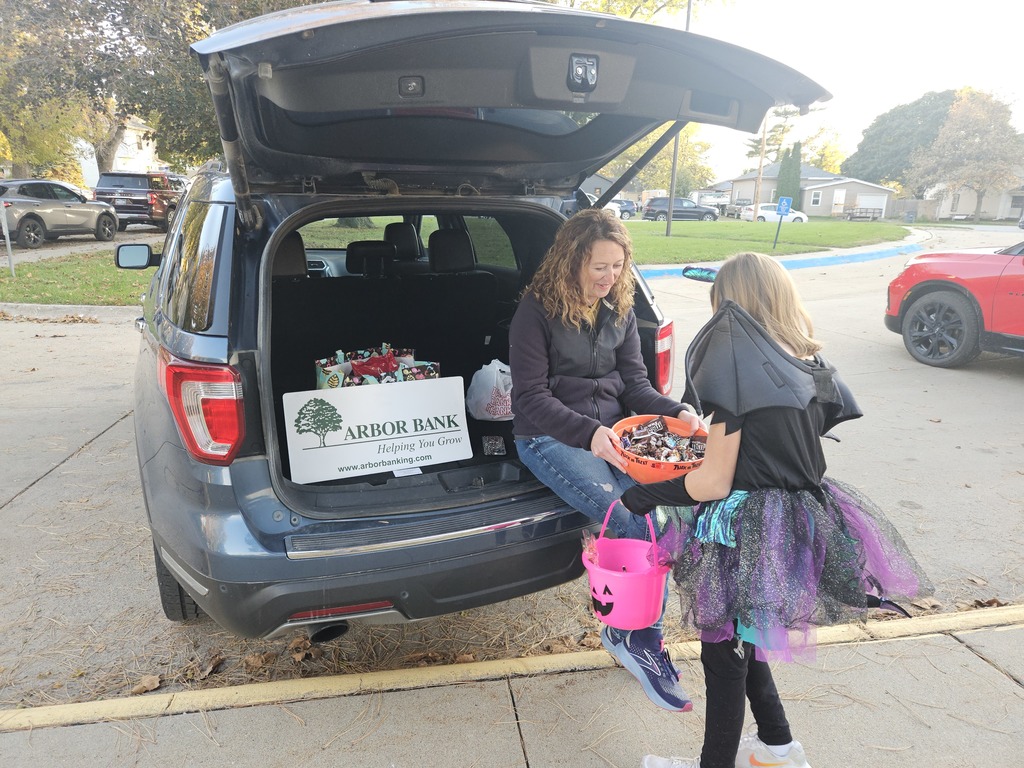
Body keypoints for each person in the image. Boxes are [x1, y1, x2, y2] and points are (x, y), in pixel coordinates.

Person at [619, 252, 932, 768]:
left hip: (748, 529)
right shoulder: (806, 361)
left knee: (724, 652)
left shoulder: (736, 367)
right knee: (745, 636)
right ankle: (779, 747)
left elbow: (713, 481)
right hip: (797, 520)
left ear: (730, 303)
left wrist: (645, 494)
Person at [509, 207, 701, 713]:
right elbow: (529, 398)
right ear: (571, 260)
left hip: (615, 434)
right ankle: (635, 639)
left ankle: (636, 633)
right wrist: (589, 433)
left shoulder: (619, 308)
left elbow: (636, 386)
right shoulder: (536, 311)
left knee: (660, 518)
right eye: (599, 267)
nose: (610, 277)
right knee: (629, 519)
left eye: (618, 266)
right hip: (549, 437)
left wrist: (677, 411)